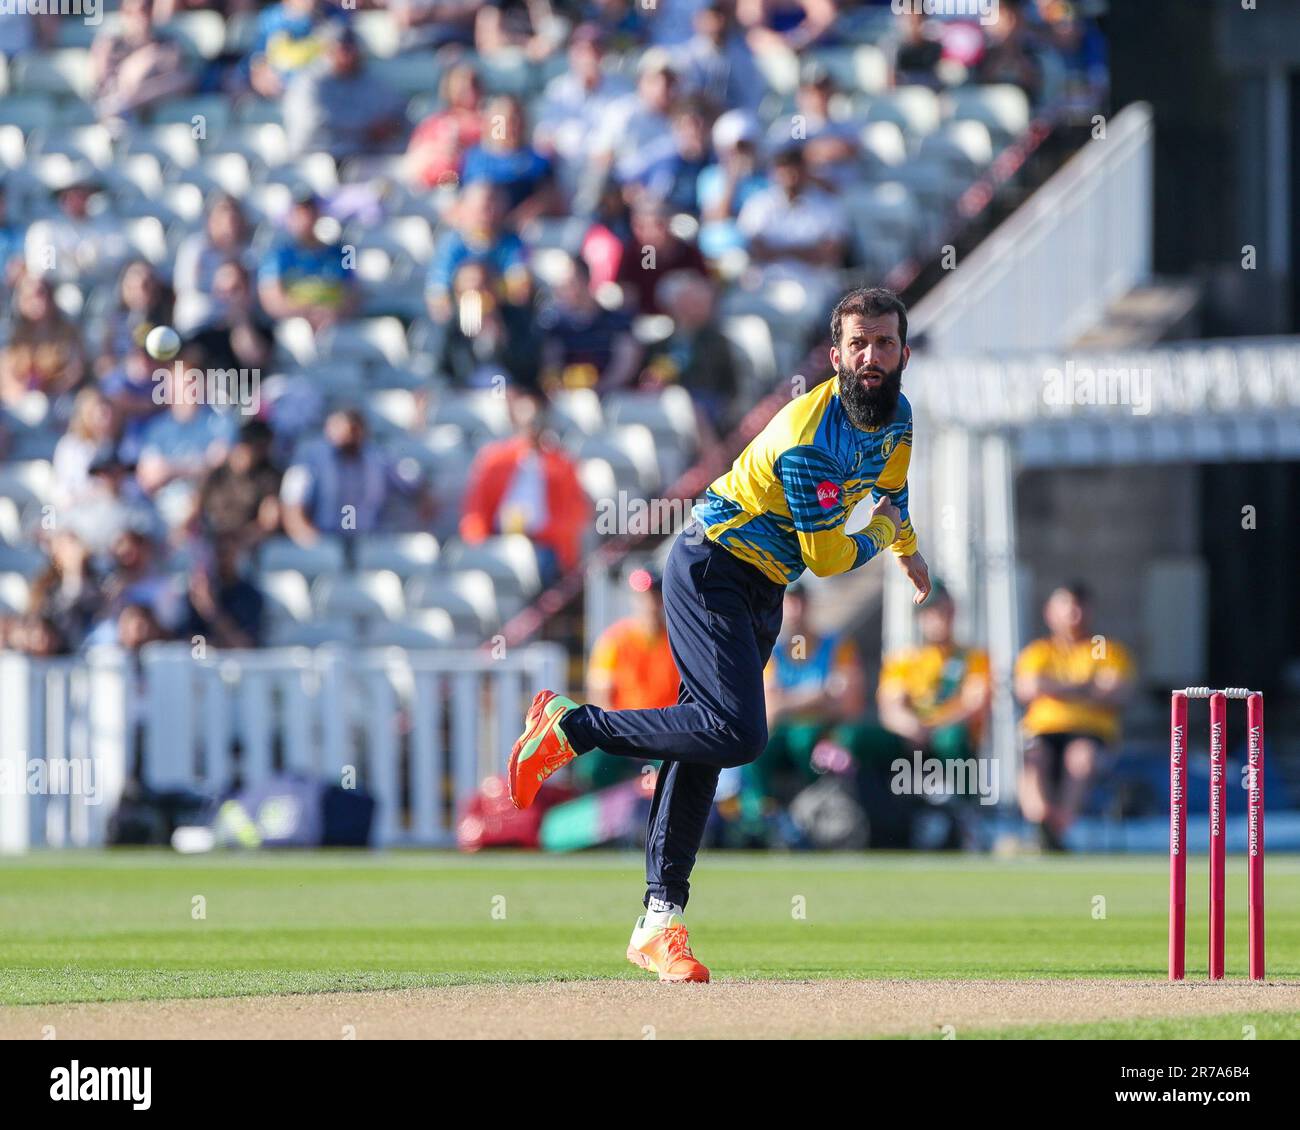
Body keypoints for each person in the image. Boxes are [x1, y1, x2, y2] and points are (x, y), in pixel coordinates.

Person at [507, 286, 931, 981]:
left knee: (703, 742)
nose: (872, 356)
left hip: (762, 586)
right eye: (859, 344)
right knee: (738, 733)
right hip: (712, 568)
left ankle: (659, 921)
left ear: (904, 352)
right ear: (835, 356)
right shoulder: (808, 438)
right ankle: (573, 726)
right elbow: (827, 558)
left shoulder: (899, 416)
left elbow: (893, 485)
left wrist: (907, 546)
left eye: (884, 343)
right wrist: (884, 534)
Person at [1014, 581, 1134, 851]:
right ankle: (1040, 822)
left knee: (1081, 757)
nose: (1073, 614)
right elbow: (1027, 688)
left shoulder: (1107, 649)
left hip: (1091, 733)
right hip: (1043, 731)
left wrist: (1054, 688)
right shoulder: (1039, 652)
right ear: (1050, 612)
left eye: (1079, 607)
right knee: (1033, 756)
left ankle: (1058, 828)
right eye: (1066, 606)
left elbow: (1116, 692)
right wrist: (1085, 687)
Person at [459, 383, 590, 583]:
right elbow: (475, 513)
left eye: (537, 421)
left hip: (543, 547)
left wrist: (538, 533)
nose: (532, 427)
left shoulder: (562, 465)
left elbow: (574, 515)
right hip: (497, 542)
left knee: (533, 562)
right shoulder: (494, 459)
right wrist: (479, 544)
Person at [576, 567, 679, 790]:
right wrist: (622, 737)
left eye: (654, 596)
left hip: (666, 732)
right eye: (645, 597)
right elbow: (600, 697)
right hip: (625, 729)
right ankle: (598, 816)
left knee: (679, 769)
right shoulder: (615, 641)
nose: (650, 604)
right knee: (592, 767)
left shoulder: (676, 641)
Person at [283, 25, 406, 161]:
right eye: (343, 49)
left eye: (352, 48)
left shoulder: (365, 77)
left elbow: (395, 109)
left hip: (360, 156)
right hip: (316, 157)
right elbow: (314, 121)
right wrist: (366, 127)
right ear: (327, 50)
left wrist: (389, 124)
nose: (349, 55)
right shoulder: (307, 81)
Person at [257, 187, 357, 332]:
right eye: (299, 212)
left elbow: (354, 294)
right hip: (295, 329)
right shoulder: (275, 255)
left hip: (337, 326)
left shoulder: (345, 251)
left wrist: (333, 313)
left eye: (310, 211)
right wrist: (309, 313)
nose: (305, 218)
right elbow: (272, 302)